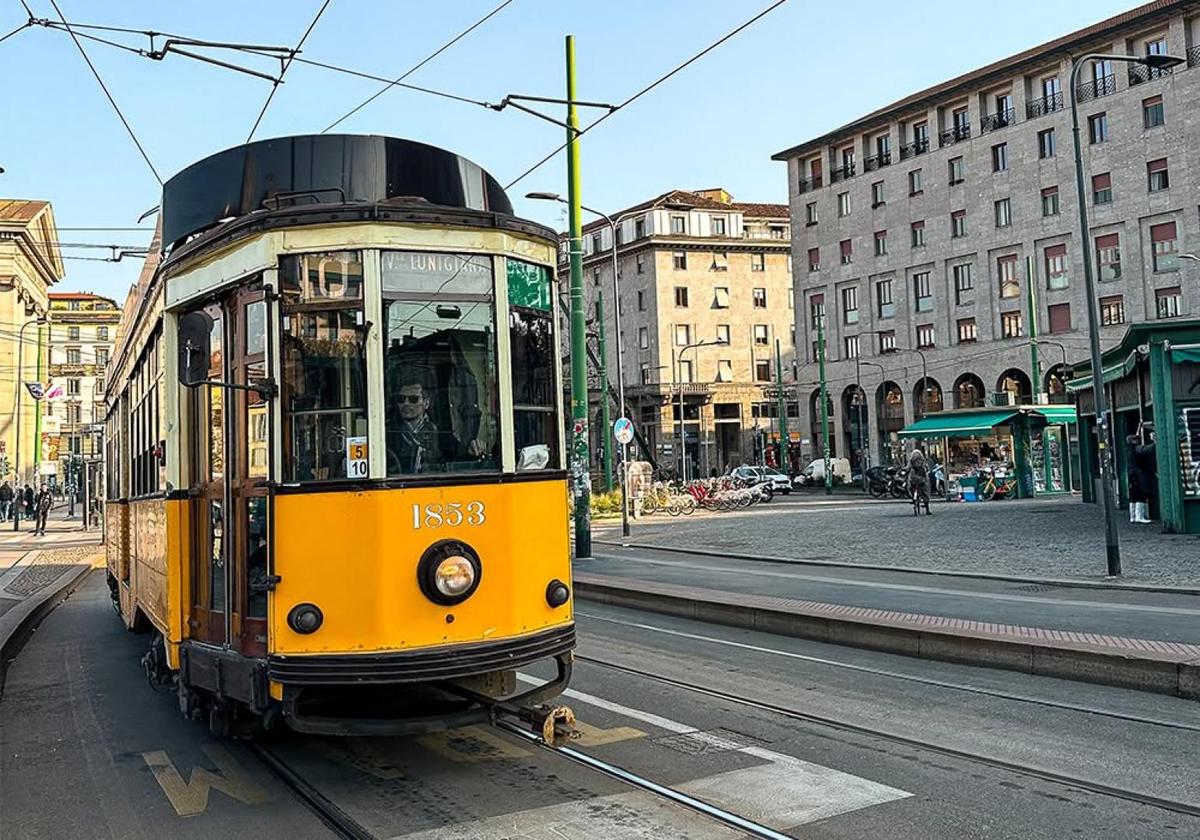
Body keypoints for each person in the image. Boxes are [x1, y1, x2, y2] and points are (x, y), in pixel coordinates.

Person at [386, 380, 451, 474]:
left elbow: (459, 456)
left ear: (426, 403)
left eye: (413, 399)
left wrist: (473, 448)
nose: (406, 403)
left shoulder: (440, 432)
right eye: (401, 399)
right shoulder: (387, 432)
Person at [1126, 425, 1157, 524]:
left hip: (1132, 474)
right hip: (1139, 474)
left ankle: (1133, 516)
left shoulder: (1129, 450)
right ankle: (1140, 516)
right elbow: (1146, 449)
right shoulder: (1136, 448)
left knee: (1133, 496)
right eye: (1136, 439)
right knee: (1141, 495)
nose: (1138, 440)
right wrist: (1155, 443)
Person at [907, 442, 931, 515]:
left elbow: (908, 467)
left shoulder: (911, 461)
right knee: (926, 491)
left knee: (910, 486)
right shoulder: (922, 460)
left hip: (913, 478)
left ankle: (912, 498)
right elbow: (926, 468)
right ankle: (927, 509)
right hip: (922, 478)